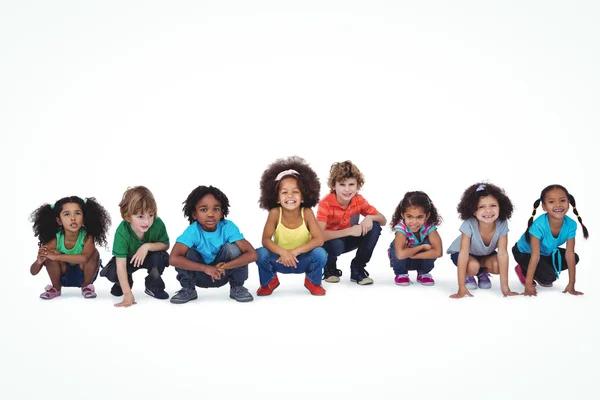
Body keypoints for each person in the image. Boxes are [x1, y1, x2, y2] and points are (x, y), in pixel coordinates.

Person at [169, 185, 257, 304]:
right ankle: (188, 289)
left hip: (223, 273)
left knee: (232, 248)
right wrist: (206, 268)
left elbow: (252, 254)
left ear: (222, 212)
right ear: (194, 214)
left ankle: (237, 287)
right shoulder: (192, 231)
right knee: (186, 252)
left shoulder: (228, 227)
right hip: (199, 275)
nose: (210, 214)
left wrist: (224, 267)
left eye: (216, 209)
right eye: (204, 210)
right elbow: (173, 259)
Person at [255, 156, 327, 296]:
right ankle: (269, 281)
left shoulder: (306, 212)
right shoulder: (275, 213)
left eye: (295, 191)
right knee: (260, 253)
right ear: (277, 198)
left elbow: (319, 240)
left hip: (302, 259)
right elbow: (266, 240)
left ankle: (313, 281)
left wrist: (294, 252)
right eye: (284, 192)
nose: (290, 196)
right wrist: (283, 252)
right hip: (280, 259)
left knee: (320, 253)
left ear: (303, 196)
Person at [317, 160, 386, 285]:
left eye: (351, 184)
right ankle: (329, 267)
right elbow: (318, 236)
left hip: (349, 239)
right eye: (342, 185)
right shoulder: (325, 203)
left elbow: (383, 220)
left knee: (375, 227)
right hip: (331, 242)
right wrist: (349, 230)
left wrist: (370, 218)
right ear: (334, 186)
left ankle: (357, 268)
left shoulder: (358, 200)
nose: (347, 189)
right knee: (336, 245)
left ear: (358, 186)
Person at [513, 184, 589, 297]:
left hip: (545, 251)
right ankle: (522, 269)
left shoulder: (571, 225)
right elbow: (535, 255)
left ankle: (539, 269)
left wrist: (571, 283)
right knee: (549, 277)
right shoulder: (539, 225)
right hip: (524, 252)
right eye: (551, 202)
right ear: (544, 207)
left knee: (574, 258)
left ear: (569, 202)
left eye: (562, 200)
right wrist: (528, 284)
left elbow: (569, 254)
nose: (558, 205)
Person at [100, 186, 170, 307]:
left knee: (160, 257)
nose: (147, 222)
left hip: (150, 257)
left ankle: (153, 286)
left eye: (151, 215)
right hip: (128, 260)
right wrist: (127, 294)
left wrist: (147, 246)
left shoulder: (158, 224)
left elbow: (165, 245)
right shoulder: (122, 232)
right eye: (140, 216)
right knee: (113, 272)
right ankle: (124, 283)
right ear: (128, 216)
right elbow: (120, 264)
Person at [30, 196, 110, 299]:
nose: (73, 218)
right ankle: (56, 288)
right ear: (59, 221)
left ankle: (86, 287)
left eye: (77, 213)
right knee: (50, 255)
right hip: (62, 276)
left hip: (84, 275)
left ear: (84, 218)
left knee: (94, 253)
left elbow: (85, 258)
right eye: (67, 214)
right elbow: (33, 272)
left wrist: (56, 257)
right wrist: (39, 261)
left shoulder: (87, 236)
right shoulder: (55, 238)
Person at [448, 183, 518, 298]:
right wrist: (461, 287)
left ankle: (481, 272)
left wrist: (505, 288)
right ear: (474, 211)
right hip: (462, 253)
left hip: (485, 254)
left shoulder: (502, 223)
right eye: (481, 207)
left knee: (498, 265)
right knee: (472, 266)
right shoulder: (469, 224)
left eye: (493, 205)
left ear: (500, 206)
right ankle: (469, 274)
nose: (488, 211)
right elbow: (463, 254)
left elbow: (503, 254)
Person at [387, 191, 443, 286]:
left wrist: (413, 254)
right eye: (409, 217)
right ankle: (401, 274)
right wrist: (422, 247)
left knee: (430, 243)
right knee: (395, 245)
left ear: (427, 216)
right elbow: (400, 255)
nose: (414, 222)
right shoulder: (401, 228)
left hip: (418, 258)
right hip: (403, 261)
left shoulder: (429, 226)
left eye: (420, 217)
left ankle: (423, 273)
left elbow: (438, 252)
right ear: (403, 215)